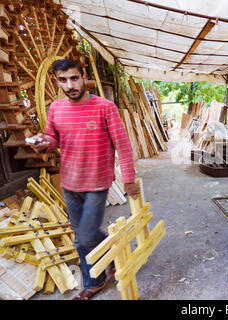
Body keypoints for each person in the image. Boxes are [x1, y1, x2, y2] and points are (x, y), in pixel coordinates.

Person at [26, 58, 140, 299]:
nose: (70, 85)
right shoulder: (56, 108)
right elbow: (53, 140)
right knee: (80, 240)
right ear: (57, 82)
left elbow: (123, 145)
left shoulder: (105, 107)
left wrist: (129, 179)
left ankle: (110, 250)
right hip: (69, 183)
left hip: (97, 182)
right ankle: (94, 281)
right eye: (63, 80)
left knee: (86, 235)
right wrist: (42, 144)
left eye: (74, 78)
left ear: (83, 76)